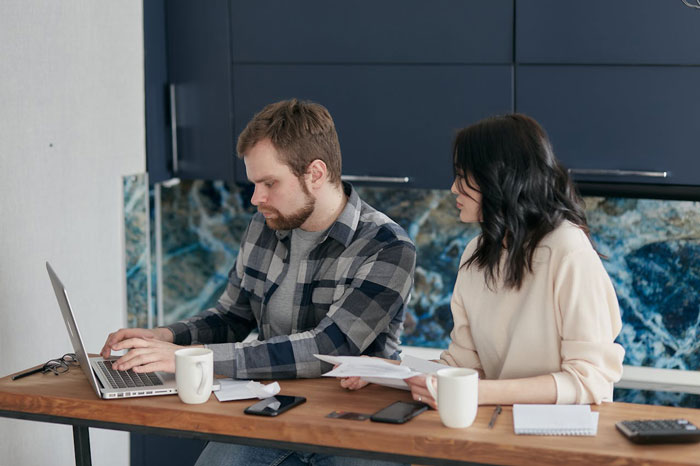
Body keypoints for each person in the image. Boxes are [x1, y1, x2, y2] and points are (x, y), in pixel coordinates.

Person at [101, 99, 416, 466]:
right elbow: (232, 317)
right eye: (254, 183)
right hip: (277, 409)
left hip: (356, 419)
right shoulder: (266, 225)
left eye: (269, 183)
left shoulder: (387, 246)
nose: (256, 199)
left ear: (315, 173)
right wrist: (166, 338)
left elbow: (331, 347)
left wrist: (193, 358)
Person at [343, 113, 625, 408]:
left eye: (464, 176)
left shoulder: (568, 249)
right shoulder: (475, 254)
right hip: (498, 428)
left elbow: (590, 379)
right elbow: (464, 364)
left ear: (498, 177)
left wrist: (478, 393)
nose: (453, 188)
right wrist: (388, 371)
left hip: (562, 439)